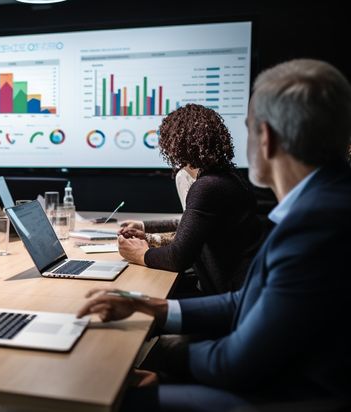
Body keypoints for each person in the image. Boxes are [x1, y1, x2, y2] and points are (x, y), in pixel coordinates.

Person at [78, 59, 351, 411]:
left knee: (104, 391)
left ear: (265, 137)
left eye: (248, 128)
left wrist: (156, 361)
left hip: (292, 395)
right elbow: (244, 303)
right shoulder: (323, 204)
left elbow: (238, 364)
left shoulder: (316, 225)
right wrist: (150, 307)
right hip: (289, 374)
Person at [118, 104, 263, 295]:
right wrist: (146, 228)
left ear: (174, 145)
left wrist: (140, 253)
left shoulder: (206, 186)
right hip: (244, 290)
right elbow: (192, 225)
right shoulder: (229, 178)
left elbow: (177, 258)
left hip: (229, 300)